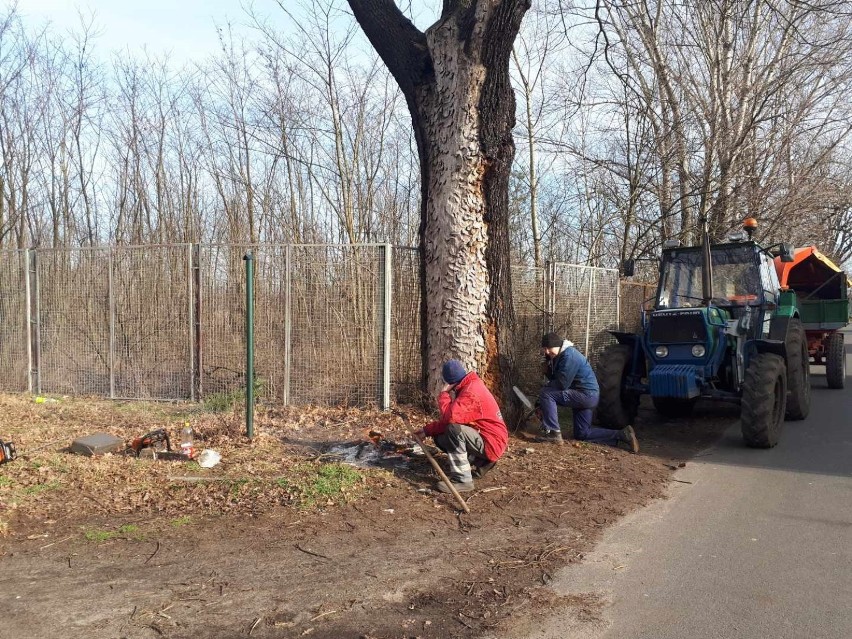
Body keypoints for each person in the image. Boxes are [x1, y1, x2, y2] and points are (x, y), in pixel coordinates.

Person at [415, 359, 509, 493]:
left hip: (492, 442)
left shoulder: (471, 392)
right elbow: (453, 419)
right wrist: (427, 431)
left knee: (453, 431)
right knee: (441, 437)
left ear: (450, 382)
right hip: (486, 438)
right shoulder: (469, 385)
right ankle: (480, 461)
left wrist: (443, 395)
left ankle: (462, 480)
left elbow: (450, 418)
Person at [537, 332, 639, 453]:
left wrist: (543, 398)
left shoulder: (569, 356)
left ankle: (553, 432)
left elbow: (561, 384)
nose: (547, 352)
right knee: (582, 434)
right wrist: (548, 372)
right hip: (586, 396)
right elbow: (559, 380)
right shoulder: (560, 356)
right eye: (545, 349)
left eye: (549, 348)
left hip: (585, 395)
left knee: (546, 393)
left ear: (558, 345)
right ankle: (622, 435)